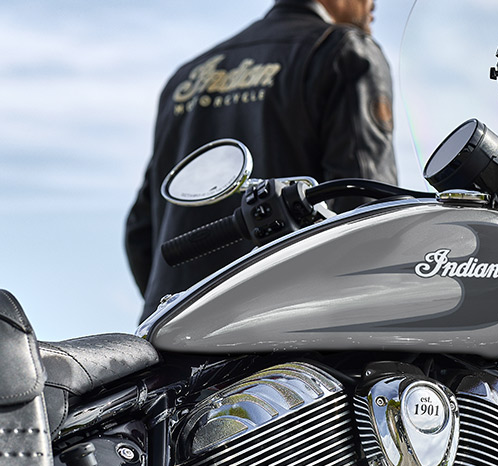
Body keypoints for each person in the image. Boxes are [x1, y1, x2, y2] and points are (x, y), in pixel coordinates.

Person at [125, 0, 398, 321]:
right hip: (282, 332)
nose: (375, 3)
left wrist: (183, 309)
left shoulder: (187, 76)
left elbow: (140, 231)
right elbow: (367, 212)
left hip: (169, 333)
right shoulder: (343, 50)